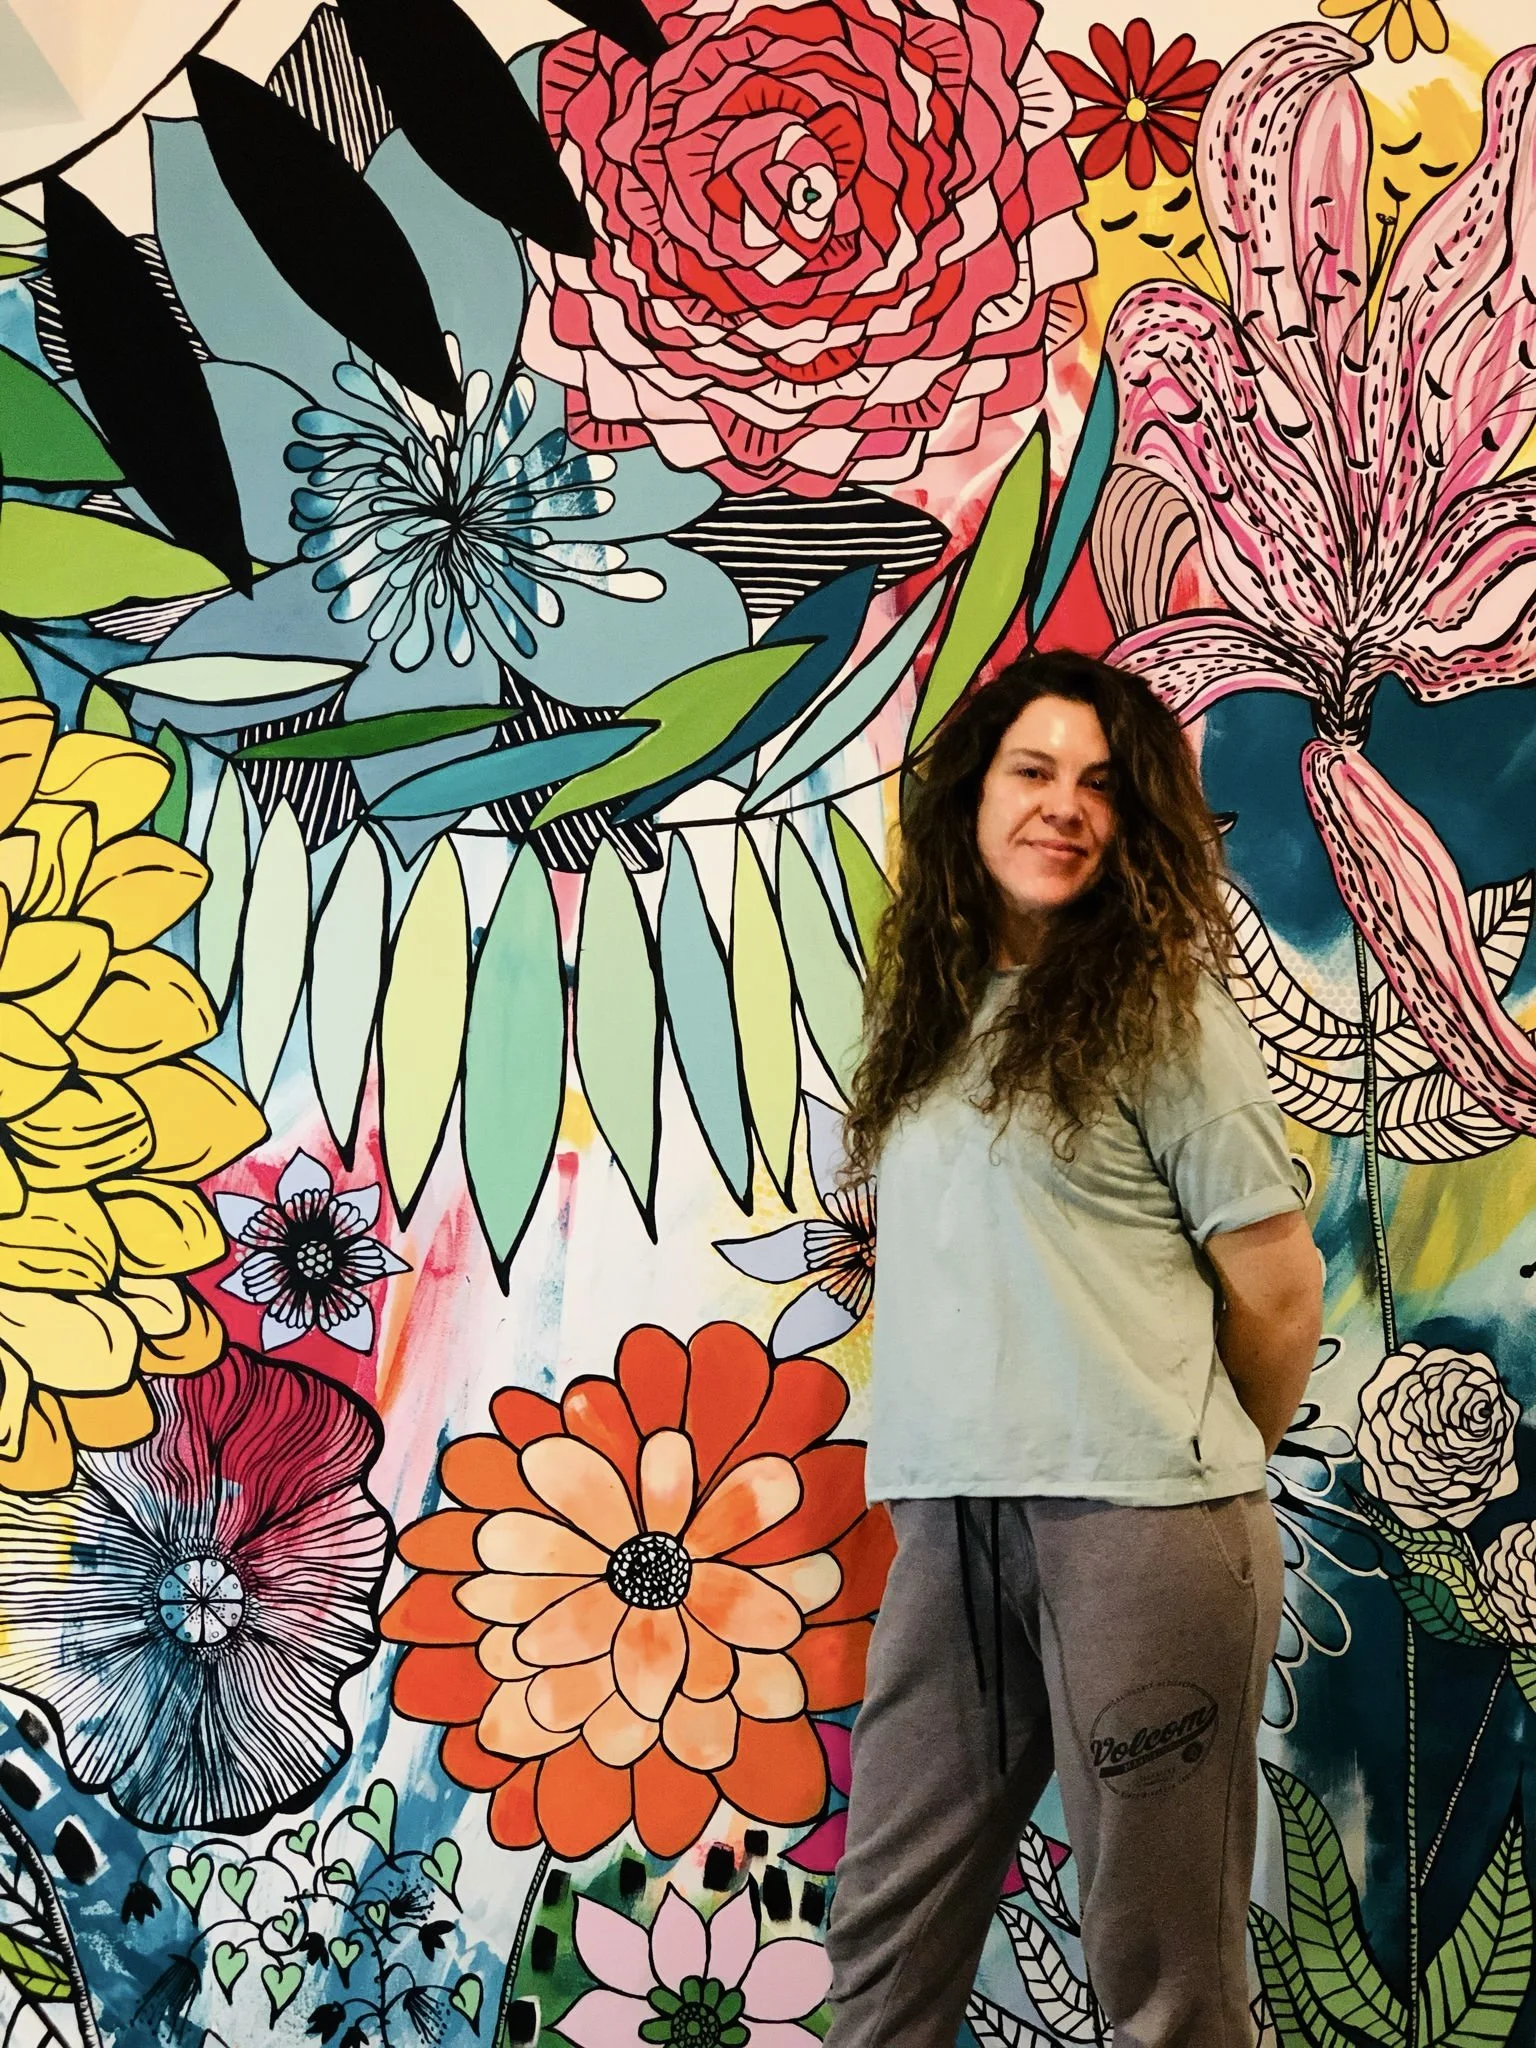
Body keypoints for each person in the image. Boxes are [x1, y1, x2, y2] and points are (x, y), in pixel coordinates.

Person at [824, 650, 1324, 2048]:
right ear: (972, 797)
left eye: (1101, 784)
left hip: (1143, 1531)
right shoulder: (925, 1017)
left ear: (1133, 820)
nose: (1064, 806)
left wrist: (1186, 1462)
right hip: (949, 1522)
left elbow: (1280, 1289)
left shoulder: (1165, 1013)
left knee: (1158, 1967)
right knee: (884, 1943)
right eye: (1033, 771)